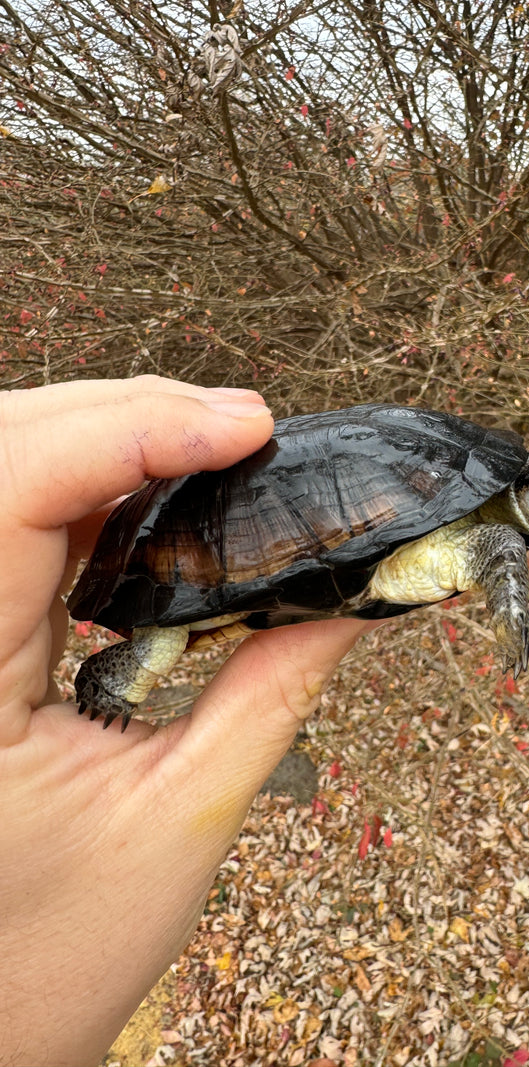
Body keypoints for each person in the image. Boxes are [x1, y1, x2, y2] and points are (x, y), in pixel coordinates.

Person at [0, 376, 369, 1067]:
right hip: (202, 565)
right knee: (148, 649)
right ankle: (111, 676)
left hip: (209, 563)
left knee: (155, 644)